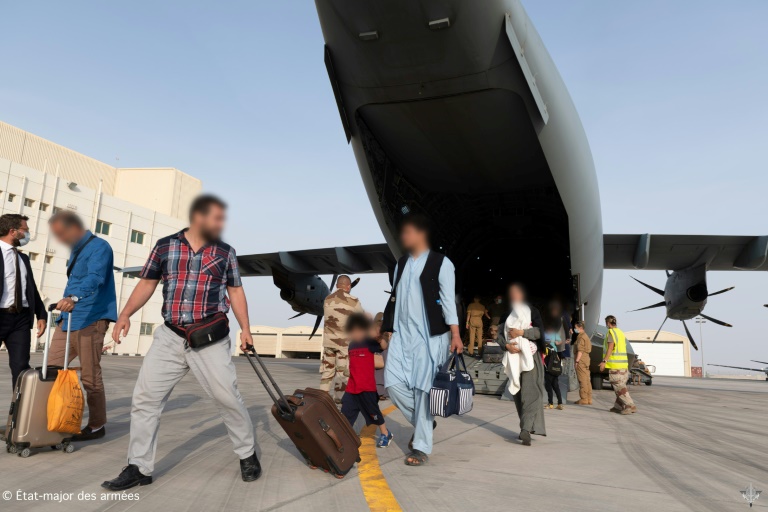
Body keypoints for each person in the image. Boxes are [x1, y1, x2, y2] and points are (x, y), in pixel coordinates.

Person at [102, 195, 260, 491]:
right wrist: (125, 314)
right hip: (170, 336)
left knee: (227, 397)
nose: (220, 224)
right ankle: (139, 467)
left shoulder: (225, 252)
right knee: (145, 400)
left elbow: (235, 291)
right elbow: (147, 282)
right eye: (215, 218)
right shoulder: (165, 246)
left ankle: (247, 454)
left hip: (209, 338)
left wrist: (246, 329)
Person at [381, 214, 462, 467]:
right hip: (402, 335)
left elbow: (448, 301)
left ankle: (421, 447)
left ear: (421, 234)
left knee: (422, 390)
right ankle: (424, 423)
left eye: (408, 232)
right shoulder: (401, 263)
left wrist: (455, 334)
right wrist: (388, 329)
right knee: (392, 384)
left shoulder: (442, 263)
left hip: (430, 336)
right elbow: (396, 297)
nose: (403, 237)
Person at [47, 211, 117, 441]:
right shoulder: (76, 250)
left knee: (90, 375)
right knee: (50, 370)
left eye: (62, 233)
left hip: (91, 319)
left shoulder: (100, 247)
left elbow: (95, 278)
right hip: (68, 319)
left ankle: (97, 425)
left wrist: (73, 297)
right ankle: (47, 418)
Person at [0, 214, 47, 388]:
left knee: (21, 367)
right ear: (13, 231)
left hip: (20, 319)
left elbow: (31, 288)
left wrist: (41, 314)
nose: (27, 234)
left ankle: (19, 405)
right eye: (25, 230)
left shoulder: (23, 258)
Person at [495, 283, 545, 446]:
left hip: (530, 358)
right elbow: (499, 336)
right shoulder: (506, 315)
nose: (514, 296)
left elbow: (539, 333)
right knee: (519, 395)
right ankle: (526, 428)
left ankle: (526, 429)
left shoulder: (532, 312)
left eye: (517, 293)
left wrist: (521, 332)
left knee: (532, 394)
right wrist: (507, 346)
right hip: (514, 359)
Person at [340, 313, 393, 448]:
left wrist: (379, 338)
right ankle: (346, 436)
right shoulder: (351, 345)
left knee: (374, 413)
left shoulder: (370, 342)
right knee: (346, 413)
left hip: (367, 387)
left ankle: (385, 433)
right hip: (352, 388)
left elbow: (384, 346)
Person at [320, 275, 363, 403]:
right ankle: (339, 401)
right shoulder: (353, 301)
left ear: (336, 286)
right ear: (348, 286)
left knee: (327, 372)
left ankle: (322, 399)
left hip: (328, 343)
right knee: (342, 373)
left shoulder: (327, 299)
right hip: (343, 344)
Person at [600, 315, 636, 415]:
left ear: (608, 323)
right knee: (620, 387)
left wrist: (604, 361)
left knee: (619, 387)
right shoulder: (620, 332)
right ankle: (618, 406)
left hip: (615, 366)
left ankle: (630, 405)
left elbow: (610, 348)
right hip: (624, 365)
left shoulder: (611, 333)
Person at [542, 326, 564, 410]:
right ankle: (560, 403)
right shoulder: (553, 349)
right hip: (555, 370)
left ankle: (550, 403)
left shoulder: (546, 349)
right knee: (556, 387)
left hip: (548, 370)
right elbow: (558, 359)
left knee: (549, 387)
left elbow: (543, 358)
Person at [573, 320, 592, 405]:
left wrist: (577, 361)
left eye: (576, 328)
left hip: (581, 359)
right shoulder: (586, 336)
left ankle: (584, 398)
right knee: (587, 379)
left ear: (580, 328)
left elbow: (580, 350)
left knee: (582, 379)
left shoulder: (581, 337)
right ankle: (588, 398)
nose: (575, 329)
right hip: (586, 359)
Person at [372, 312, 390, 400]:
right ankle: (381, 392)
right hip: (380, 356)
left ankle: (380, 392)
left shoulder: (373, 330)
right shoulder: (375, 331)